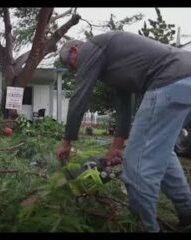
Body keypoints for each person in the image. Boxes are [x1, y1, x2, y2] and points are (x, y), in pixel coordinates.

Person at [55, 31, 191, 232]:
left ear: (75, 50)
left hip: (168, 80)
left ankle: (143, 227)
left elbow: (79, 96)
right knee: (162, 153)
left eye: (70, 64)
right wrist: (116, 148)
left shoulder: (90, 48)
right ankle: (188, 213)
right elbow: (124, 103)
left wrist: (67, 141)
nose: (73, 70)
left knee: (137, 165)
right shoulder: (115, 61)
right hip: (184, 78)